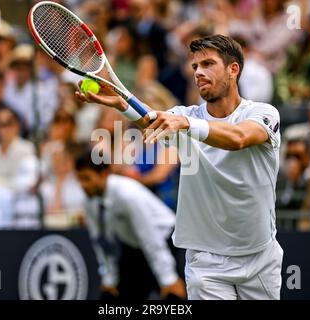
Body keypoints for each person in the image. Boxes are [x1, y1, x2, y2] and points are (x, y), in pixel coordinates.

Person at [76, 34, 283, 300]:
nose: (199, 72)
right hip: (206, 262)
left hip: (260, 257)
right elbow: (153, 119)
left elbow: (240, 138)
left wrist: (185, 124)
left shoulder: (263, 113)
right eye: (195, 66)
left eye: (208, 64)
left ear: (233, 70)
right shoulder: (185, 116)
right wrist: (122, 105)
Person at [75, 148, 186, 301]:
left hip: (168, 243)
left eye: (86, 178)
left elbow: (150, 238)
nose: (83, 185)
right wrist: (109, 279)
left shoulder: (128, 195)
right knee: (112, 297)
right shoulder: (89, 201)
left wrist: (169, 279)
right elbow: (102, 242)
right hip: (134, 247)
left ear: (104, 174)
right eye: (79, 179)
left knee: (175, 299)